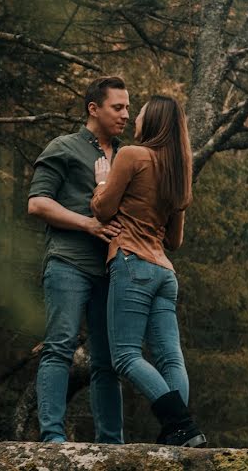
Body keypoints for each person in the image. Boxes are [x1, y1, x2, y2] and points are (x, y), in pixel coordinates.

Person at [90, 95, 206, 447]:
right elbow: (175, 239)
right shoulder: (178, 170)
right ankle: (179, 436)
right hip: (164, 273)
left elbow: (103, 210)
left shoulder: (132, 155)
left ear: (152, 121)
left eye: (138, 113)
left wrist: (101, 182)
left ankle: (181, 424)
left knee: (124, 356)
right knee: (171, 357)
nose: (134, 118)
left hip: (132, 262)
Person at [27, 76, 130, 444]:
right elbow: (37, 203)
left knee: (108, 360)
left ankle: (111, 444)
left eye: (127, 108)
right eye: (117, 107)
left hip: (113, 272)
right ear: (93, 108)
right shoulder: (64, 147)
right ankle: (53, 439)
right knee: (60, 346)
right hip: (67, 264)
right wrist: (87, 223)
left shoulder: (126, 155)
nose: (125, 115)